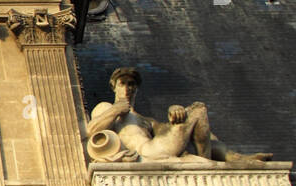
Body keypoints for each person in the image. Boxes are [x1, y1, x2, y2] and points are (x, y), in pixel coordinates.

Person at [86, 67, 272, 166]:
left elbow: (167, 129)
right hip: (146, 153)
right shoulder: (107, 107)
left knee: (198, 111)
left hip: (157, 147)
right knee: (198, 111)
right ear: (114, 86)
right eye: (123, 83)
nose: (128, 88)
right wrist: (116, 110)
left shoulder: (146, 120)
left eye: (132, 84)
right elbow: (92, 130)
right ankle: (208, 163)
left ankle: (233, 158)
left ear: (137, 88)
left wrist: (175, 111)